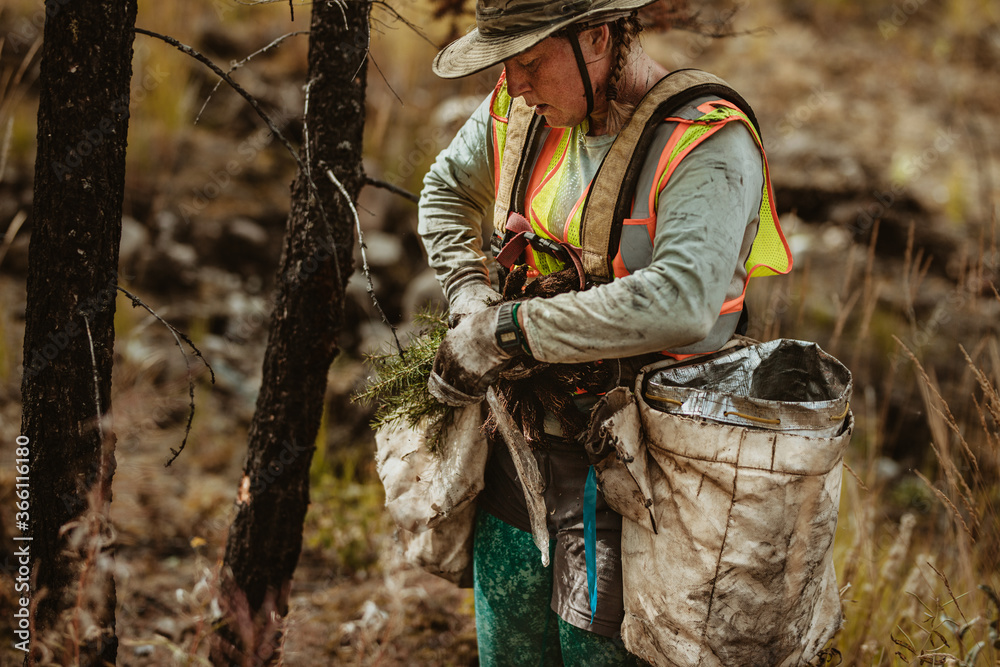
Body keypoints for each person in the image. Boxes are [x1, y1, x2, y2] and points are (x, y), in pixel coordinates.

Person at [417, 0, 791, 664]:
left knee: (601, 651)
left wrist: (508, 332)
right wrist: (469, 294)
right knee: (509, 649)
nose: (515, 84)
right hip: (520, 449)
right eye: (507, 64)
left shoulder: (704, 139)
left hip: (644, 472)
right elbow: (444, 187)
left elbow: (683, 299)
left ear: (597, 37)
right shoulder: (522, 110)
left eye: (530, 62)